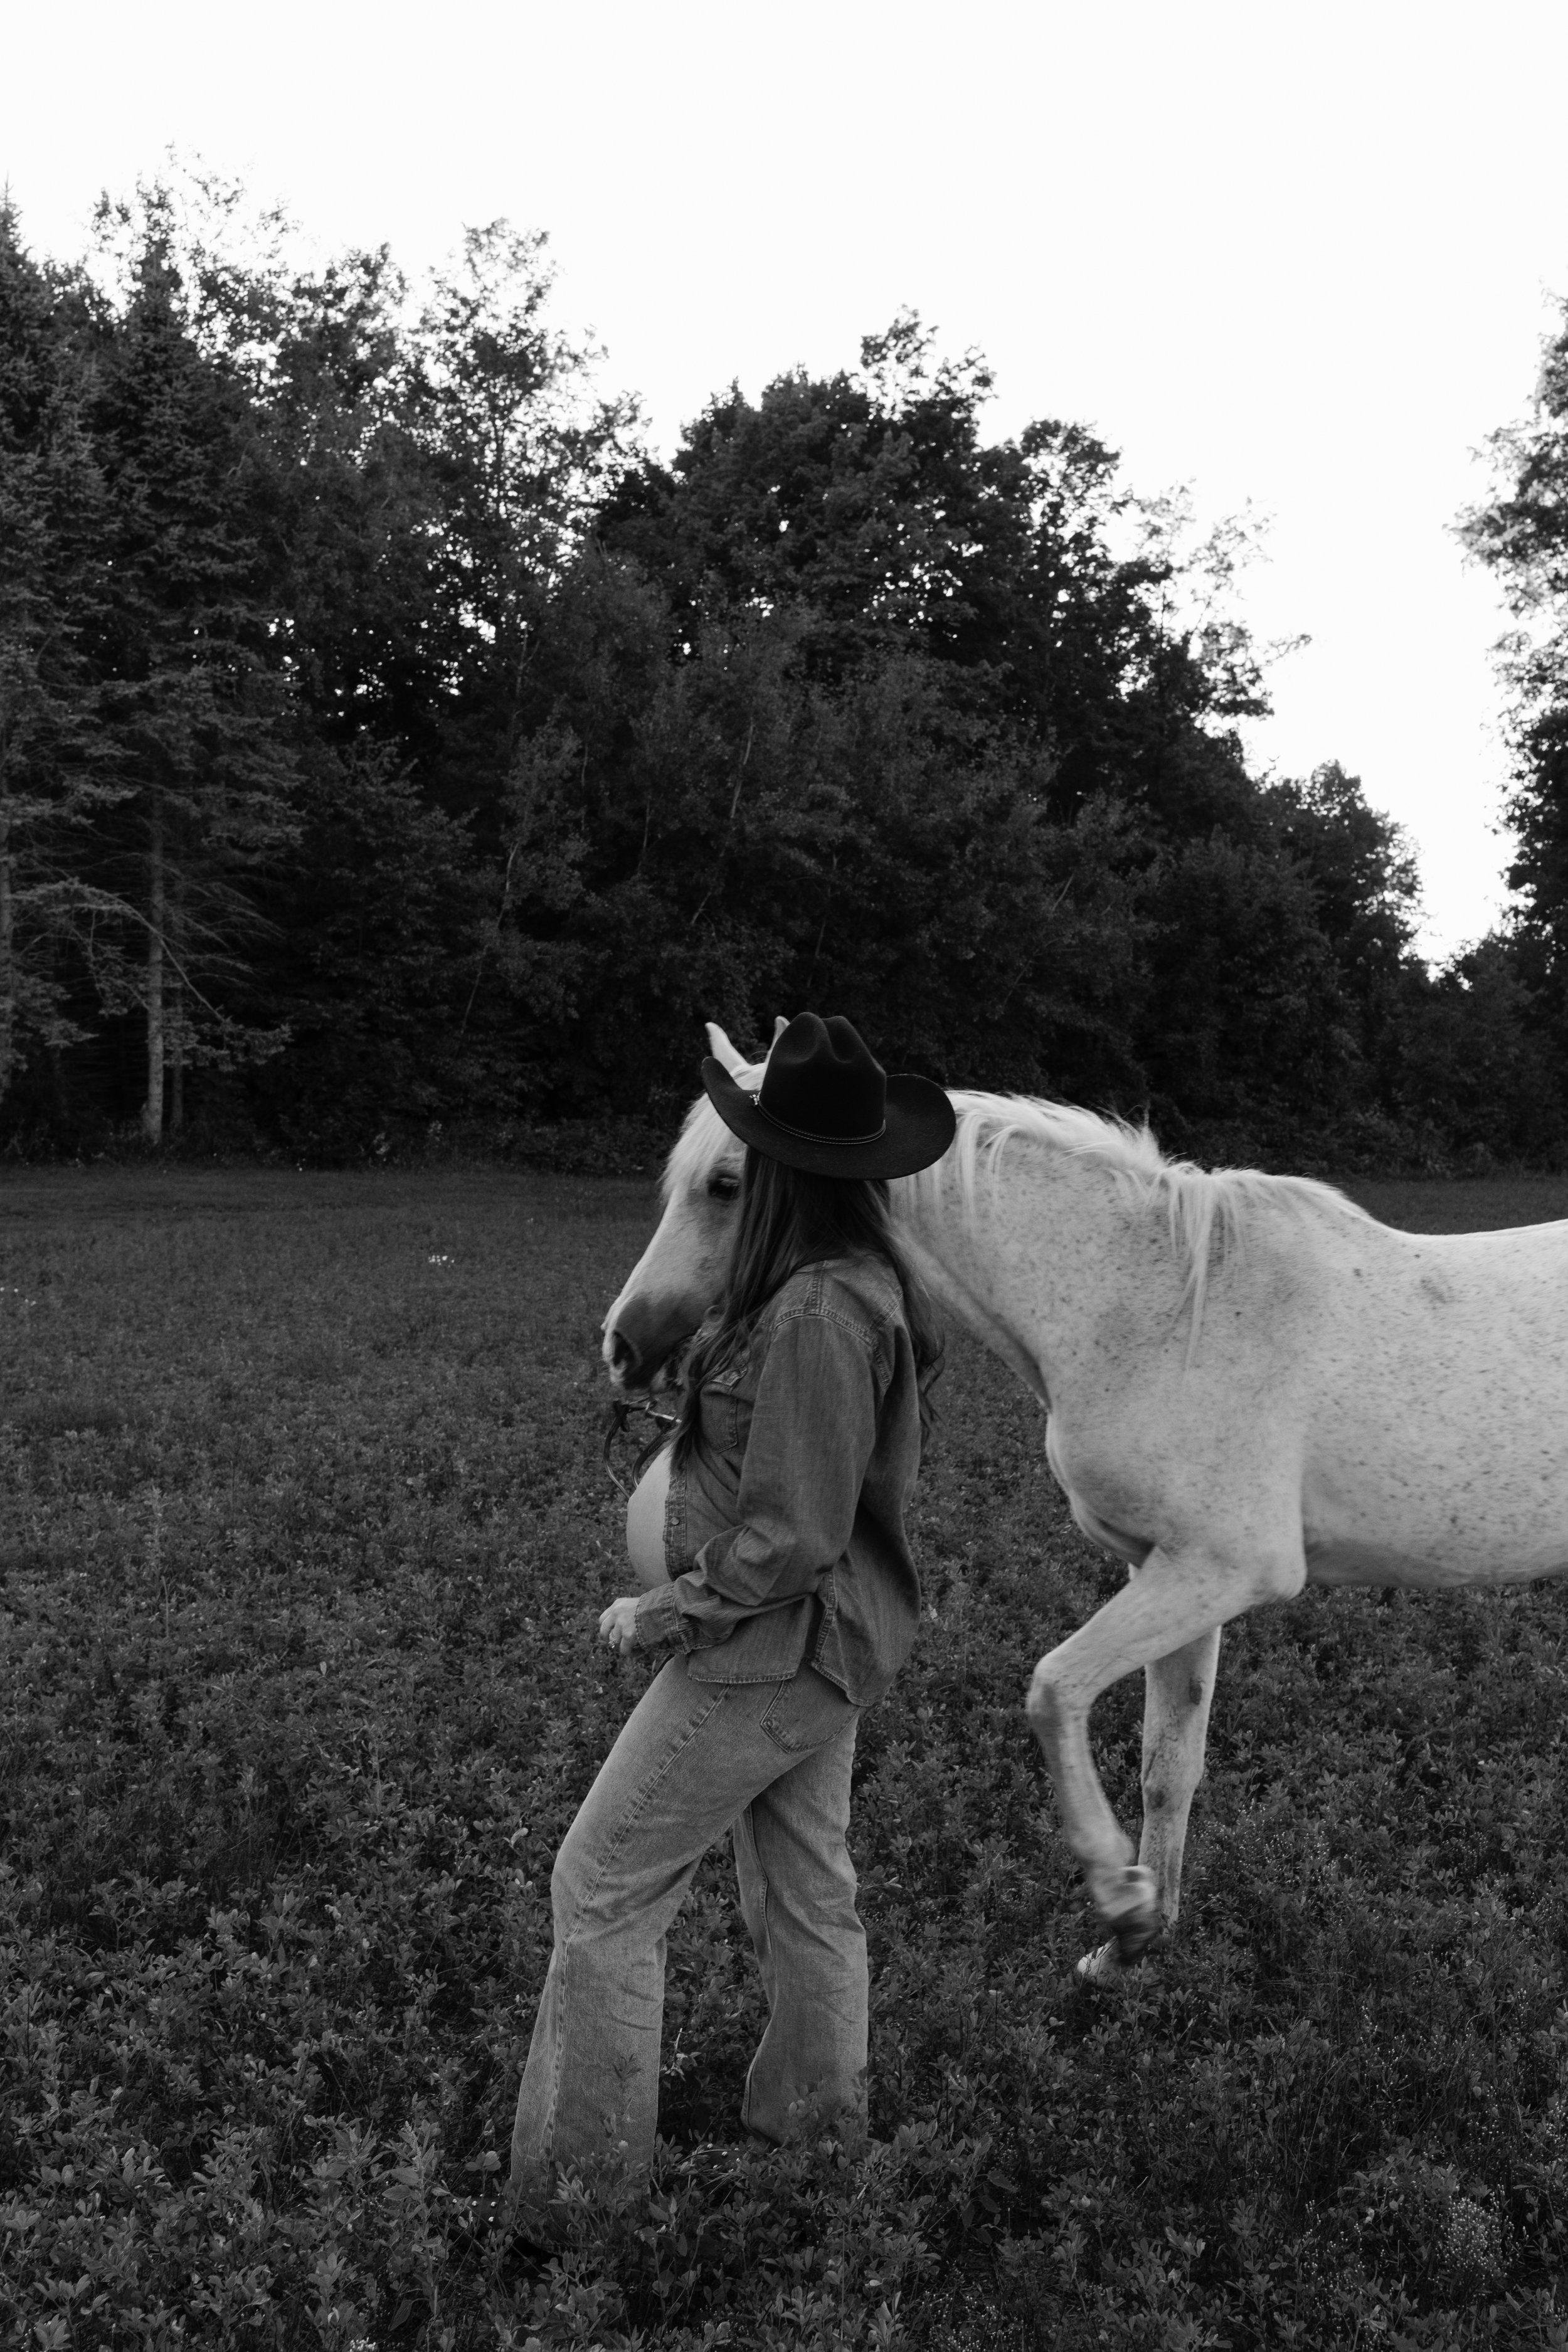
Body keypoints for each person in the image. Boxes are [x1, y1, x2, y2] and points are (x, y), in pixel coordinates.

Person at [507, 1012, 955, 2210]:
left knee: (599, 1886)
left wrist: (666, 1609)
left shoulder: (817, 1312)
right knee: (808, 1888)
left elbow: (797, 1534)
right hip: (832, 1643)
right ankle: (815, 2148)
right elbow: (804, 1463)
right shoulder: (839, 1286)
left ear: (779, 1180)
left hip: (769, 1645)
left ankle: (578, 2207)